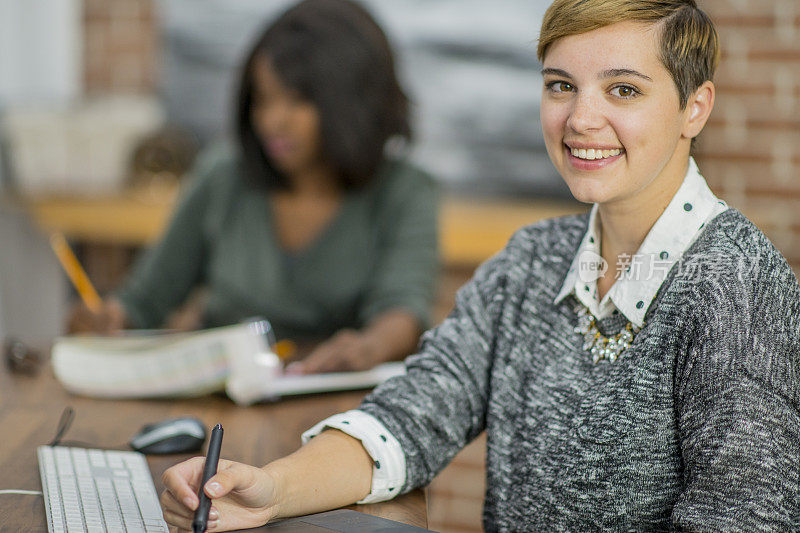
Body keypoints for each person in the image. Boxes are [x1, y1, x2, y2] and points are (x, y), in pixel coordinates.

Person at [160, 0, 800, 530]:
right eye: (560, 85)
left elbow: (742, 519)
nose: (580, 119)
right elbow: (409, 420)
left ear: (695, 106)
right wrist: (268, 489)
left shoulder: (738, 285)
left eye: (623, 89)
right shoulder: (530, 262)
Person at [67, 0, 439, 374]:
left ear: (353, 99)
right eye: (262, 100)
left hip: (340, 405)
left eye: (296, 100)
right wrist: (110, 318)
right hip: (219, 401)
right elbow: (147, 297)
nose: (272, 120)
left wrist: (369, 347)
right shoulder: (224, 175)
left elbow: (403, 310)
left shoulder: (405, 191)